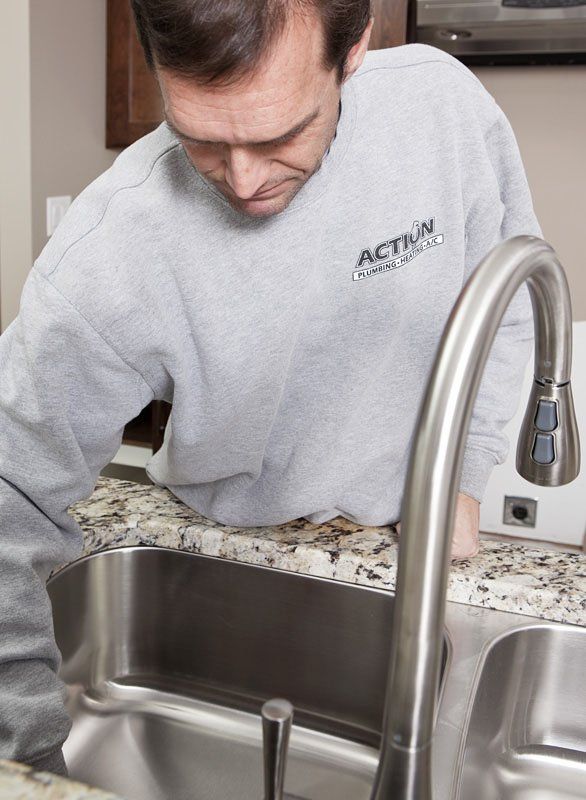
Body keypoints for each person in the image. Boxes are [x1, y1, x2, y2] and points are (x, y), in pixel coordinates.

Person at [0, 0, 540, 778]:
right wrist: (31, 765)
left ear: (352, 49)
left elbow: (507, 294)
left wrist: (464, 475)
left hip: (409, 548)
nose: (244, 181)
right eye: (201, 140)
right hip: (218, 562)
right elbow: (8, 496)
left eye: (280, 134)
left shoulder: (442, 108)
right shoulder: (112, 253)